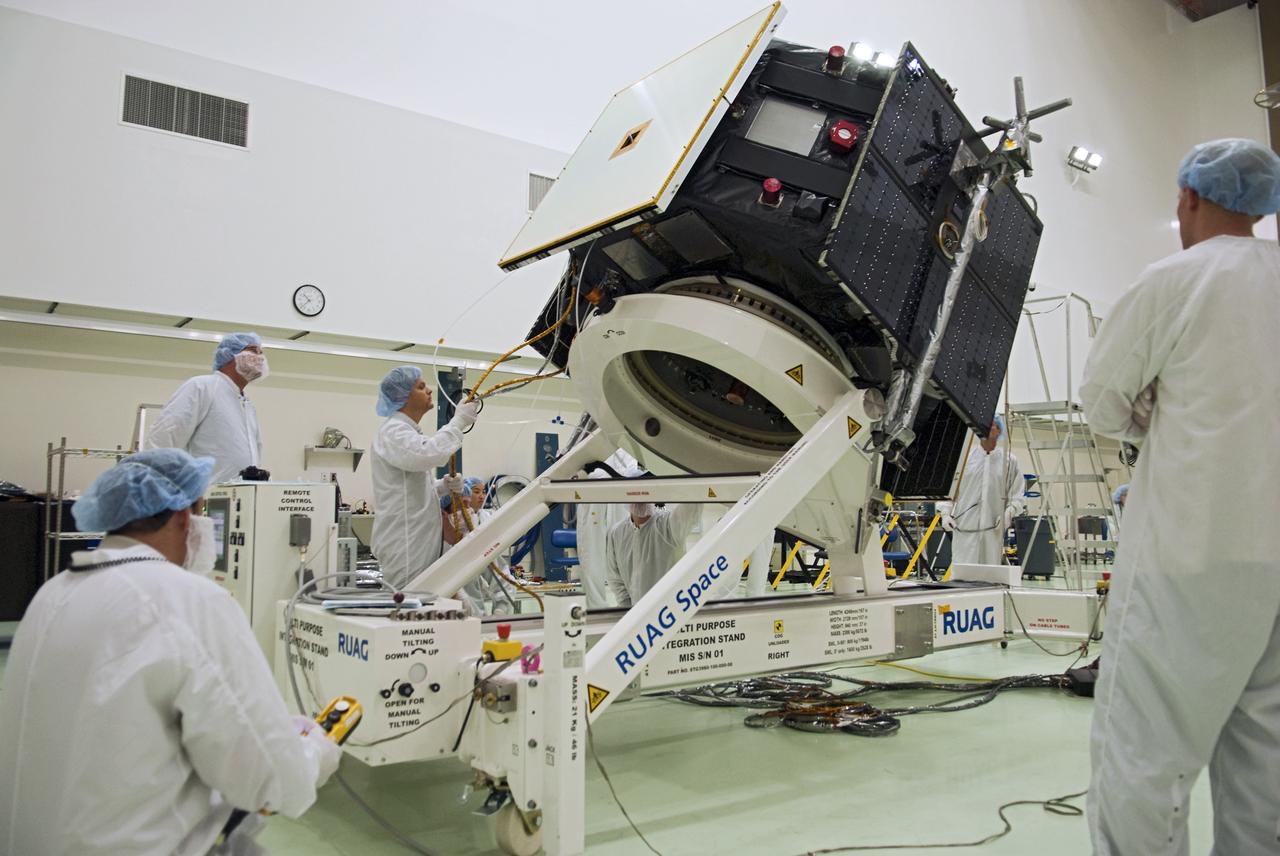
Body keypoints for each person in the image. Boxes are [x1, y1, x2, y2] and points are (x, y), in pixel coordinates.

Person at [1080, 138, 1280, 856]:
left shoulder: (1175, 280)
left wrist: (1146, 408)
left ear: (1189, 197)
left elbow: (1101, 401)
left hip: (1191, 560)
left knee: (1146, 752)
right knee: (1268, 763)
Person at [0, 449, 341, 856]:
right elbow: (272, 782)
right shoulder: (187, 599)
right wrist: (314, 748)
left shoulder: (54, 593)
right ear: (185, 516)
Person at [370, 366, 478, 589]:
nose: (429, 390)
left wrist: (442, 486)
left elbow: (409, 486)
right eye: (421, 387)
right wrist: (458, 423)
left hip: (416, 540)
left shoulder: (405, 432)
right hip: (406, 544)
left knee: (428, 604)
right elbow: (429, 454)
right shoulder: (394, 432)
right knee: (408, 607)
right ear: (403, 397)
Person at [147, 332, 267, 484]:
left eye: (261, 352)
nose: (260, 358)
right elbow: (164, 439)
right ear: (230, 355)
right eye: (252, 350)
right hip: (204, 496)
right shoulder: (202, 387)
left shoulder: (246, 403)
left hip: (243, 497)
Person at [939, 415, 1025, 565]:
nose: (987, 428)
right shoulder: (965, 458)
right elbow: (950, 490)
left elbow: (1017, 493)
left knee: (989, 571)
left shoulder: (1009, 461)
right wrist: (945, 514)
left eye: (992, 425)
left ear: (999, 431)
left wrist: (1009, 512)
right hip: (965, 526)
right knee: (963, 572)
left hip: (993, 529)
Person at [604, 489, 701, 608]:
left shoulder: (669, 526)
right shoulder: (617, 533)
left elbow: (692, 504)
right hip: (633, 614)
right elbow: (615, 578)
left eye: (644, 494)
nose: (640, 501)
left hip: (669, 611)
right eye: (635, 496)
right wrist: (627, 609)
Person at [575, 449, 637, 609]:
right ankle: (595, 606)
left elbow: (631, 469)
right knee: (591, 550)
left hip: (621, 489)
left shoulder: (625, 442)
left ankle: (627, 604)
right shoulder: (589, 436)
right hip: (594, 491)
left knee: (623, 551)